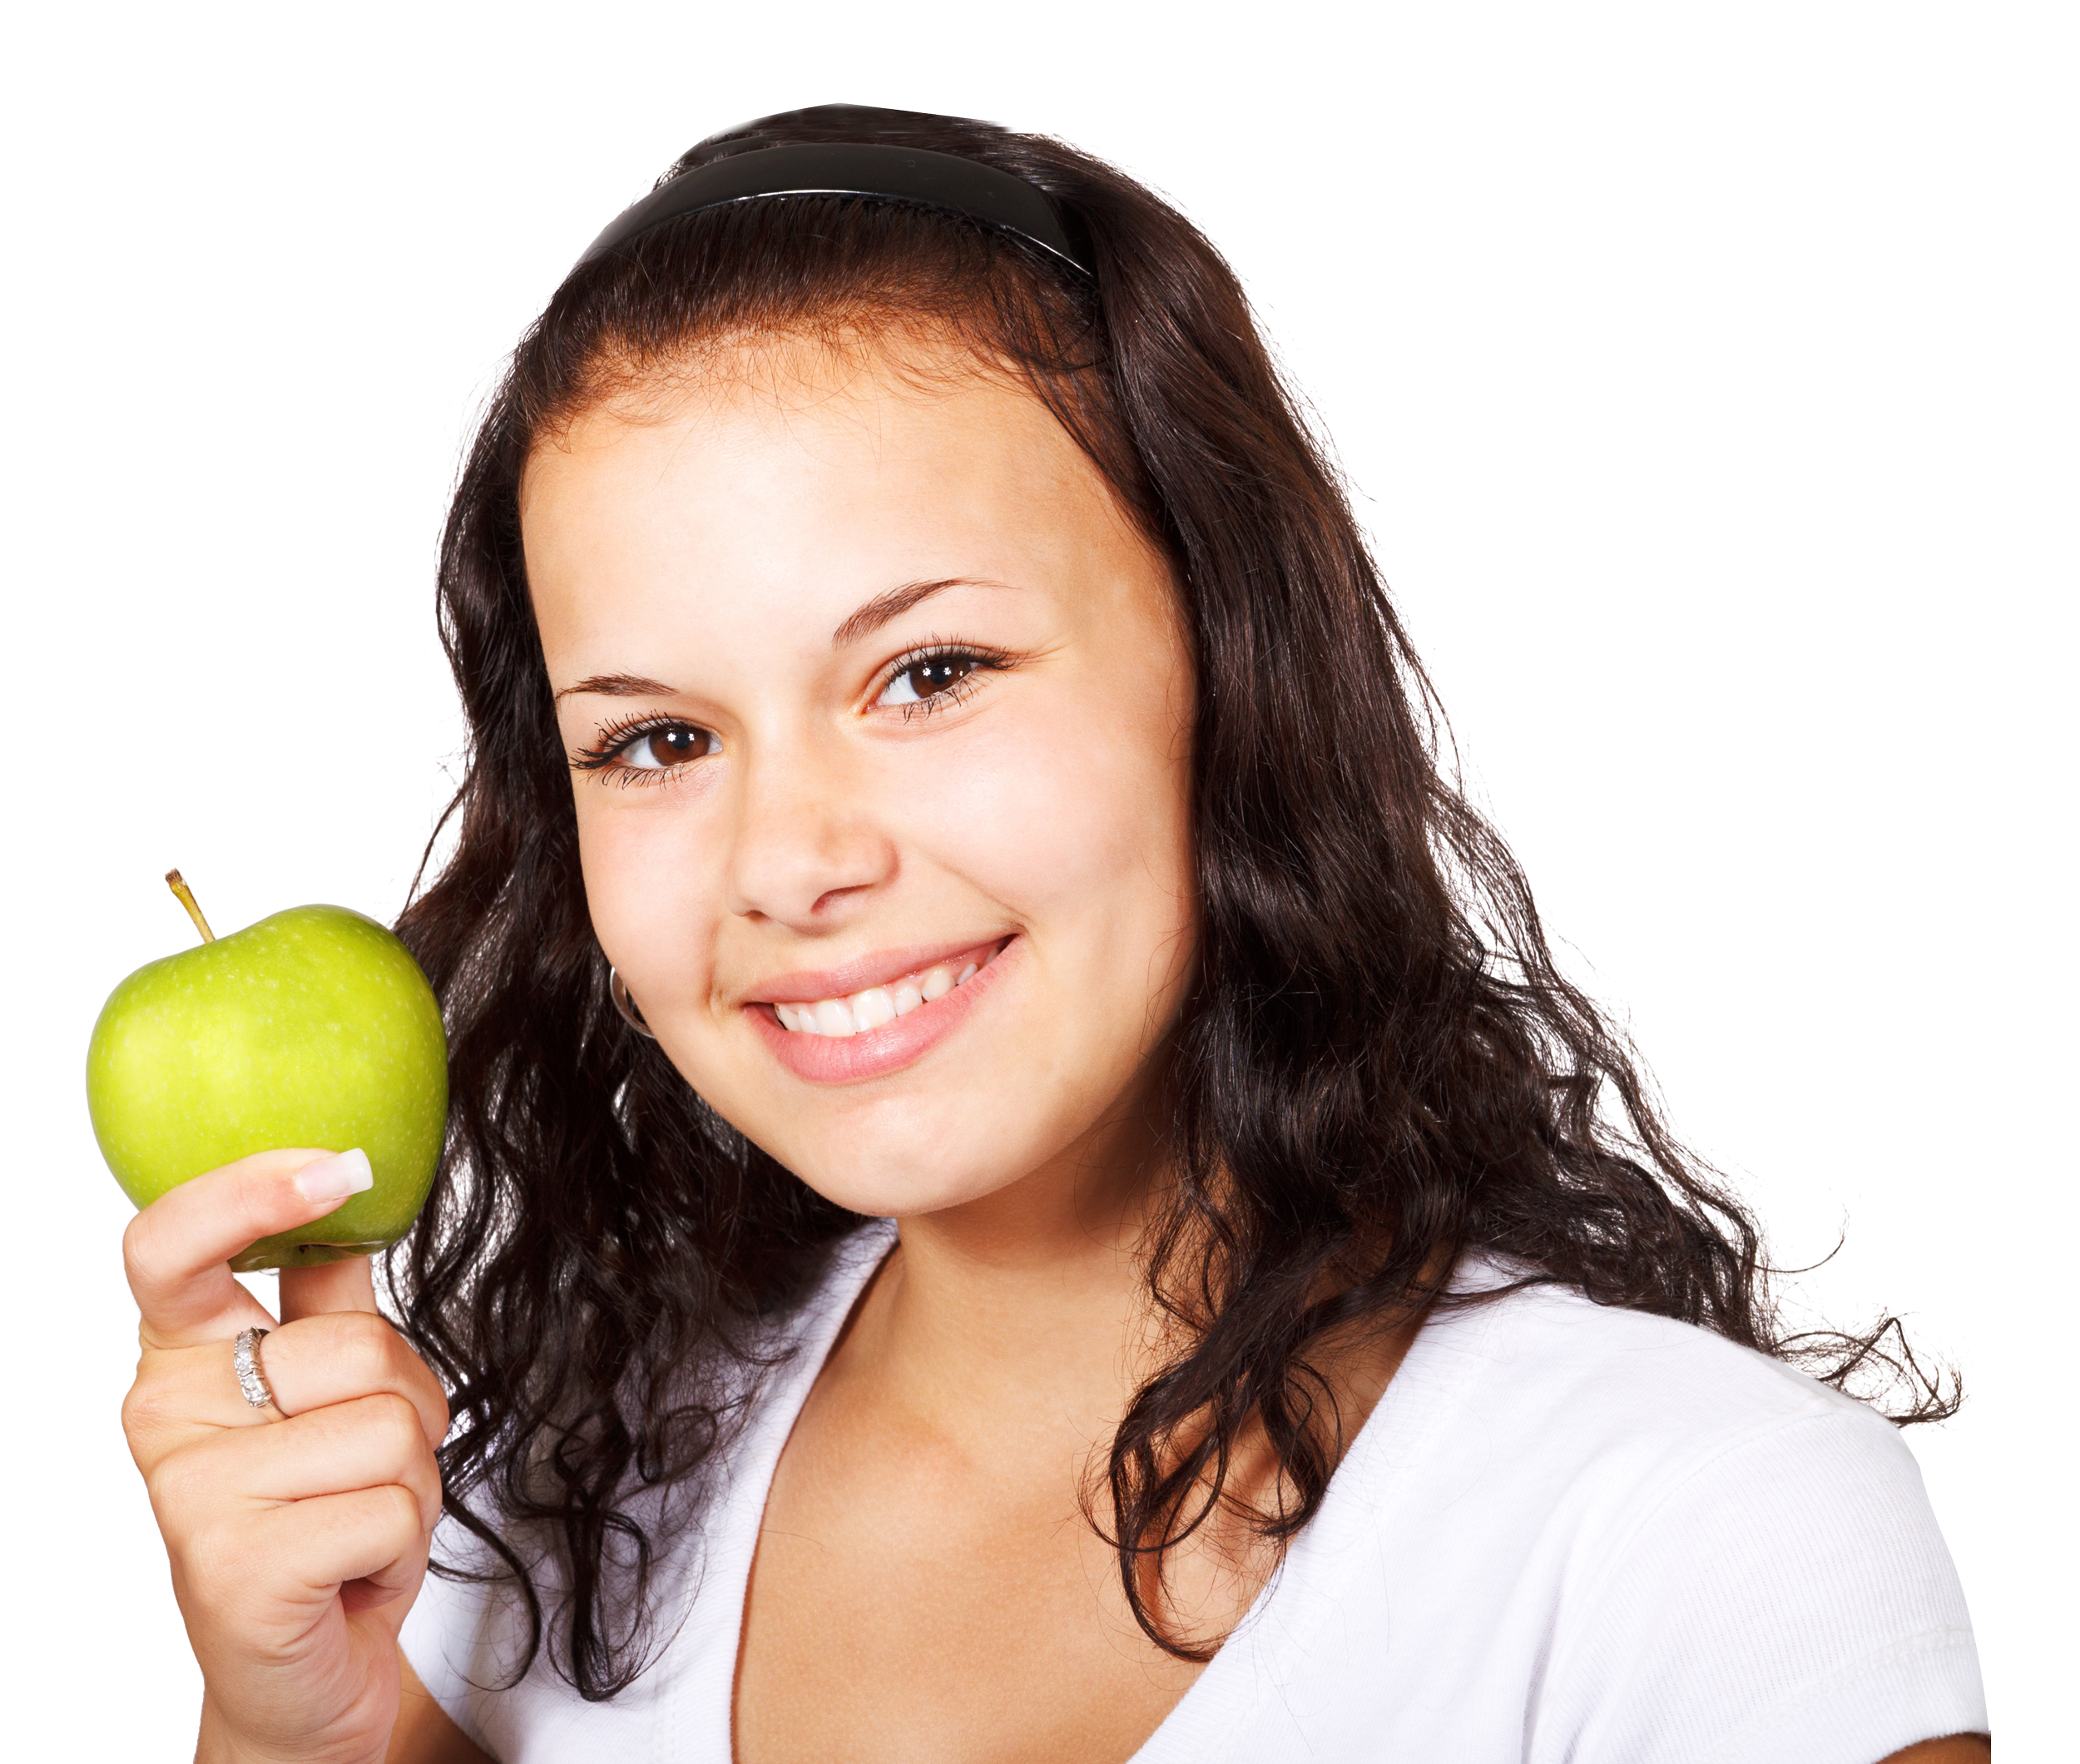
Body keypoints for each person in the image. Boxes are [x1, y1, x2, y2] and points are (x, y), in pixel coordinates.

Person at [115, 104, 1990, 1764]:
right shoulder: (513, 1524)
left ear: (1223, 673)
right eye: (660, 739)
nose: (789, 860)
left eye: (928, 671)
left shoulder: (1693, 1551)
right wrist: (294, 1737)